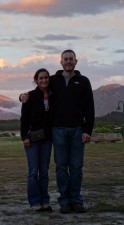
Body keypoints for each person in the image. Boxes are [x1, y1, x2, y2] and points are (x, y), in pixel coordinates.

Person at [19, 49, 95, 214]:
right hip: (58, 130)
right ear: (61, 62)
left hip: (77, 129)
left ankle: (76, 200)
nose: (68, 62)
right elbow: (38, 89)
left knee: (76, 167)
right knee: (61, 167)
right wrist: (21, 97)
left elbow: (90, 107)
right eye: (65, 59)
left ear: (76, 61)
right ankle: (64, 201)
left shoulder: (83, 81)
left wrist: (87, 130)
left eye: (71, 59)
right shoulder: (54, 80)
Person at [20, 68, 53, 212]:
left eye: (46, 77)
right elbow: (24, 118)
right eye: (41, 78)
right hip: (32, 139)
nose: (44, 80)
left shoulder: (54, 94)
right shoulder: (30, 96)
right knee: (33, 172)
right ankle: (34, 202)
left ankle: (45, 201)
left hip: (47, 139)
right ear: (36, 80)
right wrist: (24, 136)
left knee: (44, 171)